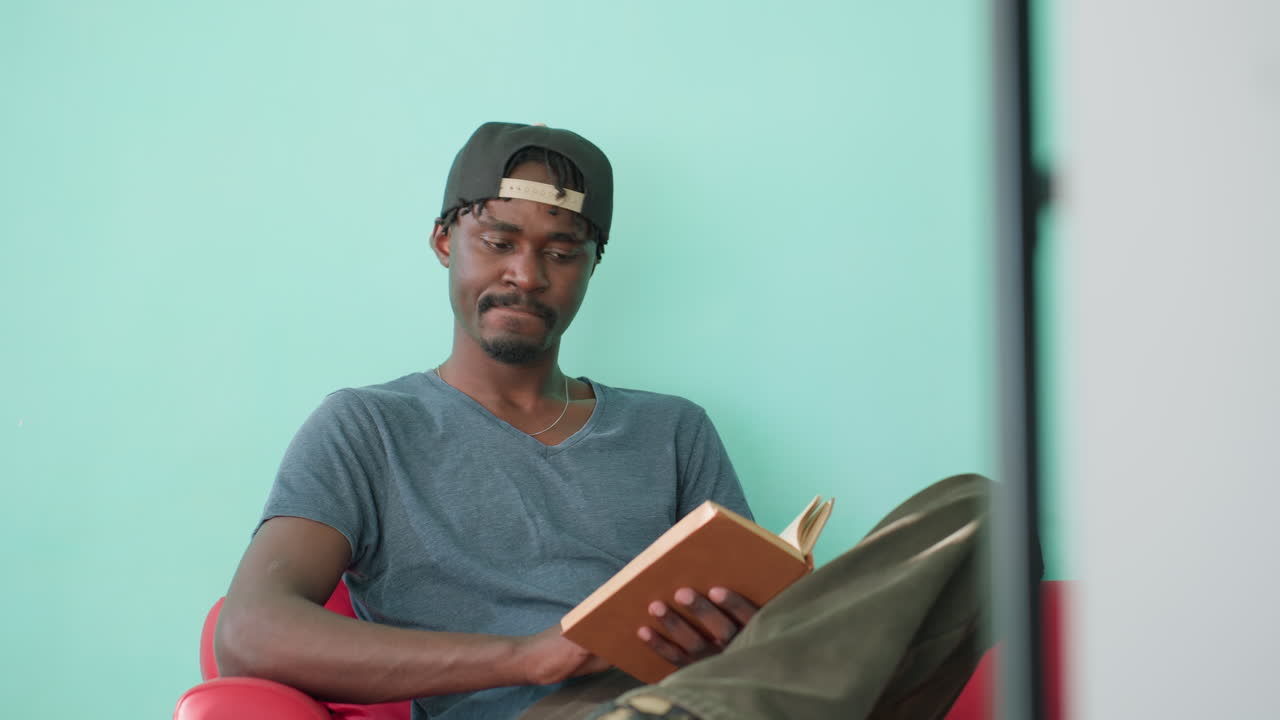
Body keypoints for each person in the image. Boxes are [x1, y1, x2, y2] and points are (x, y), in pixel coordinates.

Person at [215, 122, 998, 720]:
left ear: (590, 267)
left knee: (985, 514)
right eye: (499, 241)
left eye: (562, 251)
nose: (526, 274)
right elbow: (249, 632)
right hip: (550, 710)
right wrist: (532, 656)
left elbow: (773, 636)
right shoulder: (368, 427)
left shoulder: (673, 430)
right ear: (443, 241)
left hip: (713, 694)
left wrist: (742, 625)